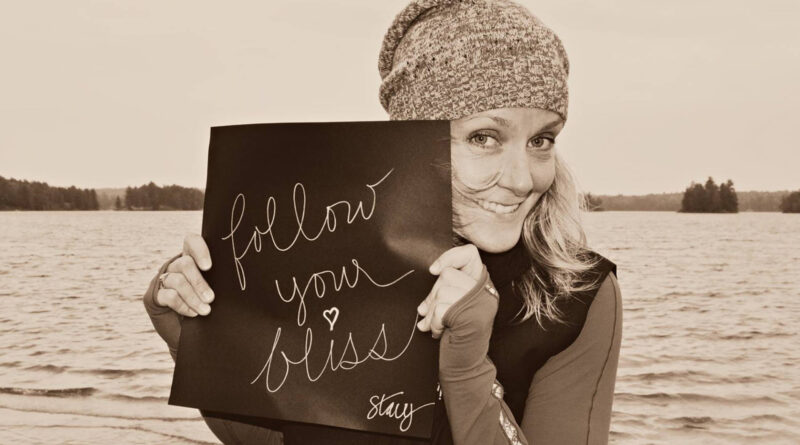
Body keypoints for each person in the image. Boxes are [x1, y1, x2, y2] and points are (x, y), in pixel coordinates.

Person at [142, 0, 623, 444]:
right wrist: (193, 336)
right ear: (414, 139)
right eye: (484, 137)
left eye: (542, 140)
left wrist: (468, 360)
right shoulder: (330, 263)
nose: (522, 179)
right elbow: (271, 437)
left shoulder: (575, 295)